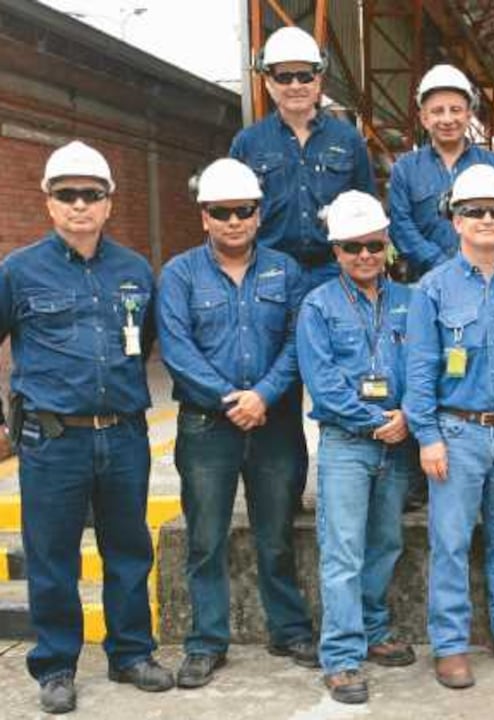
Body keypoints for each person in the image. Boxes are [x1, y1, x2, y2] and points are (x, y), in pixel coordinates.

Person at [0, 141, 174, 714]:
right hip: (53, 439)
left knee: (128, 549)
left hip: (122, 434)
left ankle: (131, 654)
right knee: (53, 557)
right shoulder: (19, 271)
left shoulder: (132, 271)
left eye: (90, 194)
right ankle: (55, 666)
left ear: (108, 203)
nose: (80, 205)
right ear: (48, 202)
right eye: (67, 194)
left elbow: (144, 341)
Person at [157, 159, 315, 689]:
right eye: (220, 212)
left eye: (242, 211)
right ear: (204, 216)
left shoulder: (286, 271)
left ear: (258, 214)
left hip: (273, 424)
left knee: (276, 535)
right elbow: (176, 349)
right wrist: (231, 399)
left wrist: (264, 395)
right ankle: (206, 643)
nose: (232, 221)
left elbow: (298, 343)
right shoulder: (179, 275)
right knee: (206, 538)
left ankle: (288, 629)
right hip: (208, 428)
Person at [404, 165, 494, 689]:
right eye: (475, 211)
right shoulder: (433, 289)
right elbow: (420, 367)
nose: (487, 219)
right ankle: (450, 645)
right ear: (455, 220)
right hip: (456, 434)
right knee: (451, 541)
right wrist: (427, 436)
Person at [297, 191, 417, 704]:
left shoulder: (411, 301)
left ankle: (374, 627)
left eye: (373, 244)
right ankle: (343, 656)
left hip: (398, 441)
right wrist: (377, 422)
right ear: (336, 251)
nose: (364, 255)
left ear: (387, 244)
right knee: (343, 550)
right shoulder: (318, 306)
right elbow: (323, 384)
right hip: (348, 443)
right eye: (352, 247)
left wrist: (408, 415)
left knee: (386, 542)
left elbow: (425, 367)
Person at [230, 26, 376, 291]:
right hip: (267, 273)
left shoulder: (348, 140)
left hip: (335, 271)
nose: (295, 86)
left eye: (304, 76)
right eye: (284, 77)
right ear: (268, 82)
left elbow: (368, 208)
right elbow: (233, 212)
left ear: (318, 80)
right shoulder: (247, 143)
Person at [388, 64, 494, 281]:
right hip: (423, 281)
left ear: (469, 115)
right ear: (424, 118)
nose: (448, 119)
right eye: (437, 111)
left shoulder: (492, 165)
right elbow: (400, 227)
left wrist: (476, 261)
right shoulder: (405, 168)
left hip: (483, 278)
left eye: (456, 110)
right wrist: (439, 263)